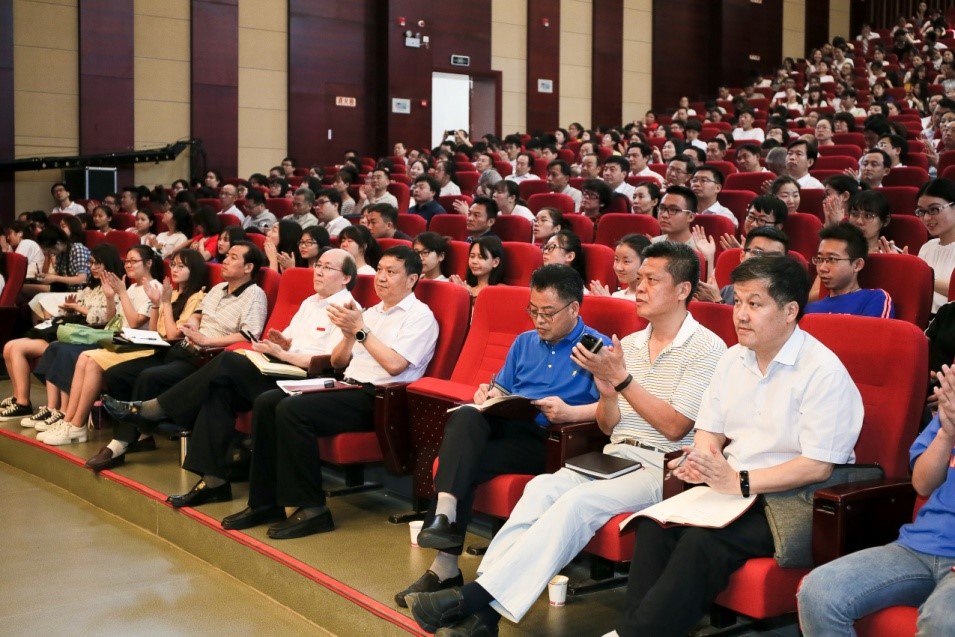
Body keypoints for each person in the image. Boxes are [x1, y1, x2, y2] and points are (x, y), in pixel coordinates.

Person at [405, 244, 727, 635]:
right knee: (539, 490)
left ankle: (472, 601)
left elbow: (675, 427)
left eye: (651, 280)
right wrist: (609, 396)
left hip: (664, 466)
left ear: (682, 290)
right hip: (615, 454)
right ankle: (483, 616)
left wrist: (622, 381)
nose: (640, 287)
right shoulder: (629, 344)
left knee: (576, 503)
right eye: (640, 278)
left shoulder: (707, 347)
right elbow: (609, 426)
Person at [606, 255, 864, 637]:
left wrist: (738, 481)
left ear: (790, 311)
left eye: (754, 304)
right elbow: (709, 431)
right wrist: (701, 460)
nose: (740, 315)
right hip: (733, 487)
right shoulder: (732, 359)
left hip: (793, 497)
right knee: (655, 526)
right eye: (738, 301)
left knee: (701, 543)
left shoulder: (822, 372)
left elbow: (817, 466)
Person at [398, 264, 612, 614]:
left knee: (462, 460)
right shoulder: (524, 342)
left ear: (574, 308)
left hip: (553, 440)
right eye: (533, 311)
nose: (538, 320)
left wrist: (571, 413)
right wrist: (489, 394)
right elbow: (503, 388)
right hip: (512, 423)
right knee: (466, 415)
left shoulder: (597, 347)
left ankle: (444, 565)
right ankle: (445, 517)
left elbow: (613, 409)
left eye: (547, 313)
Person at [209, 246, 437, 536]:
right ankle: (264, 502)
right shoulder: (369, 313)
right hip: (347, 384)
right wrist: (348, 335)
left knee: (292, 409)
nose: (380, 278)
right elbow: (339, 362)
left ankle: (312, 509)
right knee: (268, 402)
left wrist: (360, 331)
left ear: (412, 279)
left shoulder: (420, 317)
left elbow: (394, 365)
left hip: (380, 398)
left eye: (391, 272)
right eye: (379, 269)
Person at [97, 250, 358, 489]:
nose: (318, 271)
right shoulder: (310, 301)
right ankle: (213, 482)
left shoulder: (349, 310)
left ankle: (156, 408)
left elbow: (332, 361)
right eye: (318, 265)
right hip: (280, 364)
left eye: (327, 268)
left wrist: (283, 353)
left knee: (228, 361)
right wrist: (279, 343)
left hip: (307, 377)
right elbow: (290, 340)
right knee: (219, 390)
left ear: (346, 277)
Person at [797, 363, 955, 636]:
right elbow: (923, 484)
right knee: (819, 592)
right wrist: (946, 432)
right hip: (921, 545)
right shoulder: (949, 414)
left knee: (943, 620)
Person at [101, 241, 268, 420]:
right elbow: (198, 314)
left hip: (205, 357)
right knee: (116, 374)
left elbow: (248, 335)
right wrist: (193, 323)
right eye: (226, 256)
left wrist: (207, 341)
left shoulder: (255, 294)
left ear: (248, 267)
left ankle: (136, 431)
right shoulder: (218, 288)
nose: (225, 260)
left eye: (233, 257)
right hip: (180, 348)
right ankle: (131, 427)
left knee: (149, 377)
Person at [0, 245, 125, 423]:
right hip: (72, 330)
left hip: (85, 335)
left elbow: (107, 319)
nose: (93, 267)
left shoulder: (117, 289)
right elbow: (76, 313)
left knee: (18, 349)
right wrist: (71, 309)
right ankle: (17, 397)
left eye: (98, 263)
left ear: (109, 264)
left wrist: (79, 308)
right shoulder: (89, 289)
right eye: (91, 263)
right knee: (9, 346)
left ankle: (23, 403)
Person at [806, 223, 895, 318]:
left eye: (832, 259)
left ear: (857, 265)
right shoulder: (809, 310)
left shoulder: (874, 299)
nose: (822, 268)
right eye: (820, 259)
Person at [696, 225, 789, 305]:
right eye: (758, 253)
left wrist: (718, 301)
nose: (764, 260)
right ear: (742, 256)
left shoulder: (785, 297)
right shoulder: (728, 291)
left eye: (774, 256)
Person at [590, 233, 652, 298]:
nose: (618, 268)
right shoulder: (616, 295)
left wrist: (609, 302)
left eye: (626, 261)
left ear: (645, 262)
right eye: (616, 260)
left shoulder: (650, 299)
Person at [449, 235, 505, 302]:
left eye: (480, 257)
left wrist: (469, 298)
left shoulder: (502, 290)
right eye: (472, 256)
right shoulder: (466, 288)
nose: (474, 261)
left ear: (495, 262)